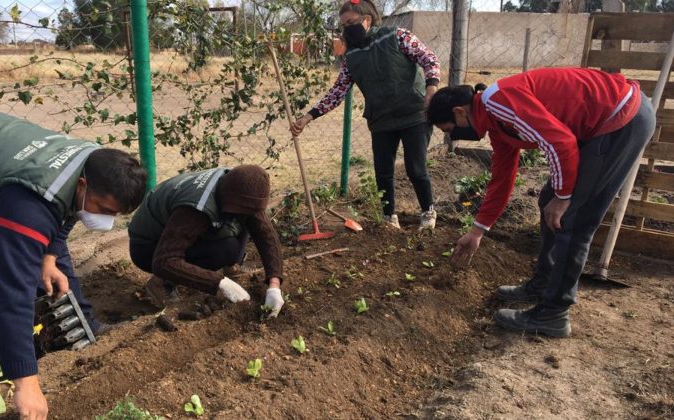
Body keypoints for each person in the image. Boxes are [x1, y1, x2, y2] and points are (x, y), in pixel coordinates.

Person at [0, 112, 147, 419]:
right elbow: (11, 293)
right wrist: (26, 383)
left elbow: (67, 212)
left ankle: (85, 330)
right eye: (103, 209)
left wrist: (48, 257)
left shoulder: (94, 161)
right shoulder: (29, 205)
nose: (105, 219)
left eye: (115, 214)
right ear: (84, 185)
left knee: (46, 259)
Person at [427, 67, 656, 337]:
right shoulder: (497, 122)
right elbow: (502, 180)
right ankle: (544, 282)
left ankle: (553, 313)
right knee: (548, 200)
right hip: (605, 121)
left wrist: (563, 196)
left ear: (459, 112)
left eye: (450, 129)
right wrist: (478, 231)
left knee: (572, 218)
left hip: (620, 118)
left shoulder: (500, 103)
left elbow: (559, 142)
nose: (454, 136)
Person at [290, 0, 441, 230]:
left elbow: (429, 59)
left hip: (414, 113)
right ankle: (389, 218)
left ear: (367, 20)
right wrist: (308, 116)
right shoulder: (352, 56)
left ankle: (428, 212)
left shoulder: (398, 36)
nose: (347, 28)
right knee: (383, 172)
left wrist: (431, 88)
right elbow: (338, 91)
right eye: (344, 25)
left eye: (351, 22)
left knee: (415, 168)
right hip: (381, 119)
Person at [128, 165, 285, 317]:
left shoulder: (240, 187)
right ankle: (161, 282)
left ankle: (232, 266)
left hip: (175, 232)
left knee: (245, 222)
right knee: (224, 250)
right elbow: (164, 260)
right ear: (226, 200)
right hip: (148, 247)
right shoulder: (196, 209)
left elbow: (265, 234)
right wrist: (220, 283)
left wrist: (274, 285)